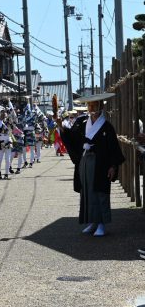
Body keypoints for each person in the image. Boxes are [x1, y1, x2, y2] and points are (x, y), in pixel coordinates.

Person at [58, 93, 125, 237]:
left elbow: (113, 148)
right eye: (89, 105)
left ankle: (101, 223)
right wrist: (61, 127)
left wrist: (113, 166)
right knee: (87, 192)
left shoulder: (107, 127)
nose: (91, 108)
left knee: (99, 193)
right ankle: (92, 222)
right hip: (85, 161)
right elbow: (73, 138)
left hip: (100, 163)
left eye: (94, 105)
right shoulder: (83, 123)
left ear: (101, 107)